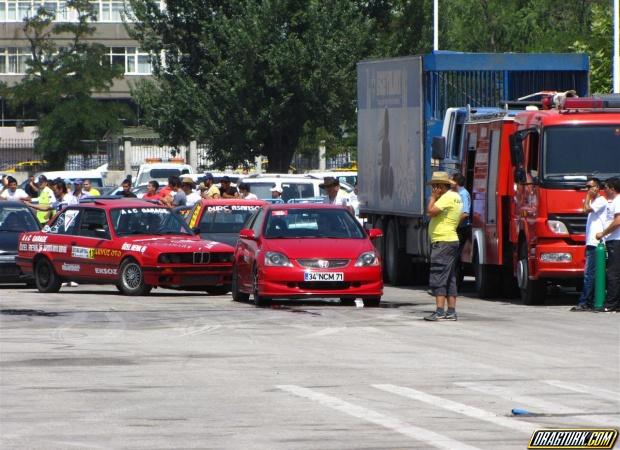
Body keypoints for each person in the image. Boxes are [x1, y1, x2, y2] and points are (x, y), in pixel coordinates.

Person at [424, 171, 463, 321]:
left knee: (439, 275)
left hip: (443, 242)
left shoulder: (446, 198)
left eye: (435, 186)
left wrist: (433, 198)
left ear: (441, 186)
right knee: (450, 277)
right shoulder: (456, 197)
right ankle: (451, 311)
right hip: (451, 240)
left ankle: (439, 311)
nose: (433, 189)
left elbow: (430, 211)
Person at [571, 178, 608, 311]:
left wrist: (587, 197)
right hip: (591, 242)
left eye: (590, 187)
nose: (588, 190)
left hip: (596, 242)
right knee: (591, 273)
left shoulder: (601, 201)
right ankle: (590, 301)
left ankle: (584, 302)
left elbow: (585, 210)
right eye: (586, 188)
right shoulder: (595, 201)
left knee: (589, 274)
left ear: (597, 187)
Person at [595, 177, 620, 312]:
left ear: (612, 188)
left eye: (605, 187)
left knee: (613, 273)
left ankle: (611, 305)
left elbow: (617, 221)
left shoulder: (618, 201)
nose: (604, 190)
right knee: (614, 272)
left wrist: (603, 233)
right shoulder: (614, 201)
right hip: (613, 240)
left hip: (617, 240)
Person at [451, 173, 471, 282]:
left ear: (456, 182)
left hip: (462, 228)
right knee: (455, 255)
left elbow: (465, 213)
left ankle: (454, 282)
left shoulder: (463, 194)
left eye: (452, 181)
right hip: (460, 227)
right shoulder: (459, 193)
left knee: (454, 255)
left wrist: (453, 224)